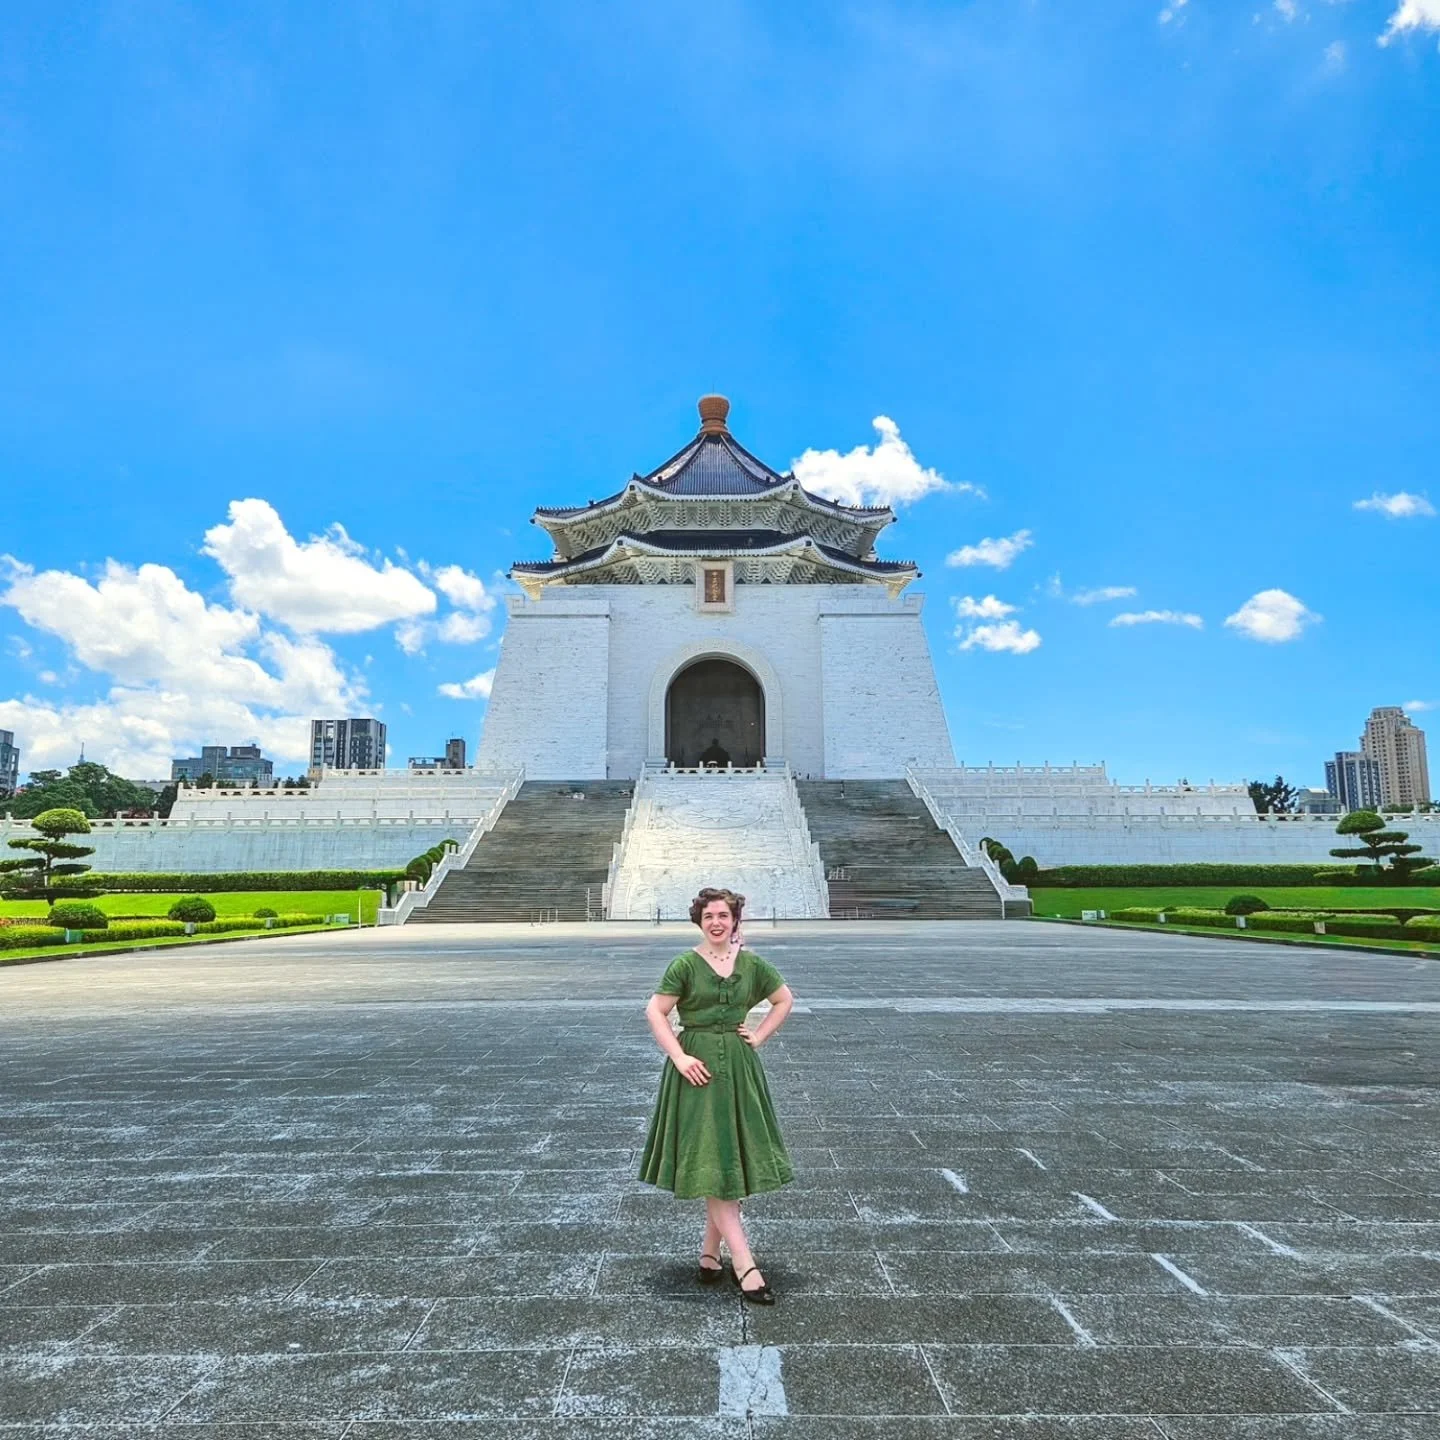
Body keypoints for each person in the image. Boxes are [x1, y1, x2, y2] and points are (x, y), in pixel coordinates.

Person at [638, 886, 795, 1304]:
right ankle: (744, 1263)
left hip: (739, 1068)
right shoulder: (685, 965)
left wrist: (759, 1036)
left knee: (727, 1155)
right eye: (709, 916)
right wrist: (679, 1056)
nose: (716, 922)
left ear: (734, 920)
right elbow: (655, 1011)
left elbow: (783, 1000)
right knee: (712, 1154)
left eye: (723, 915)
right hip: (698, 1070)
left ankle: (710, 1254)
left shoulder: (752, 964)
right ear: (700, 921)